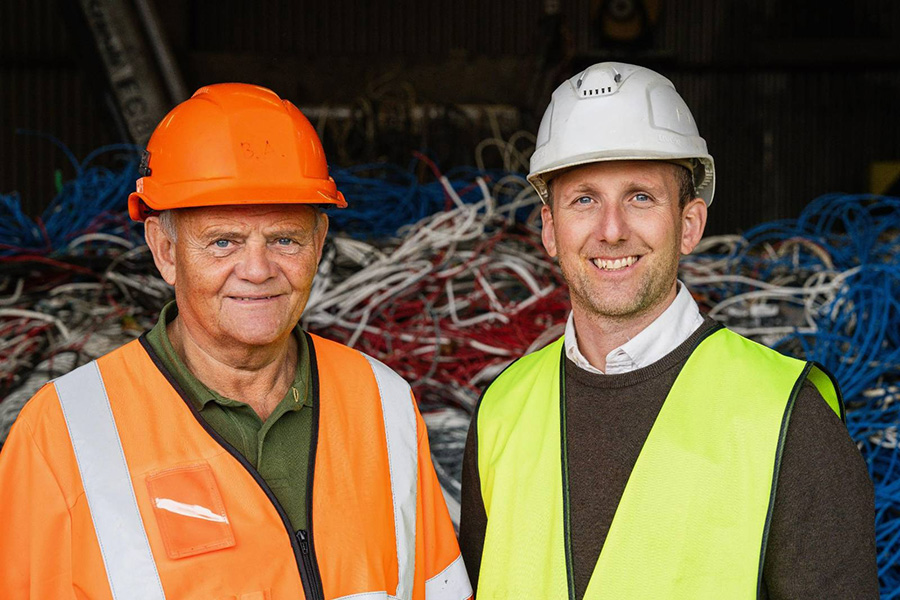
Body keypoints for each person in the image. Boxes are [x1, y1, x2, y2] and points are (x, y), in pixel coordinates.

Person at [0, 83, 472, 600]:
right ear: (164, 250)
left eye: (284, 240)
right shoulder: (63, 433)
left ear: (318, 246)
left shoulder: (382, 403)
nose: (257, 271)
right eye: (223, 241)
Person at [459, 63, 877, 599]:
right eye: (584, 198)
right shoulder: (501, 411)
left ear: (689, 224)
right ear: (549, 228)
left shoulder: (786, 418)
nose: (611, 230)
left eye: (640, 197)